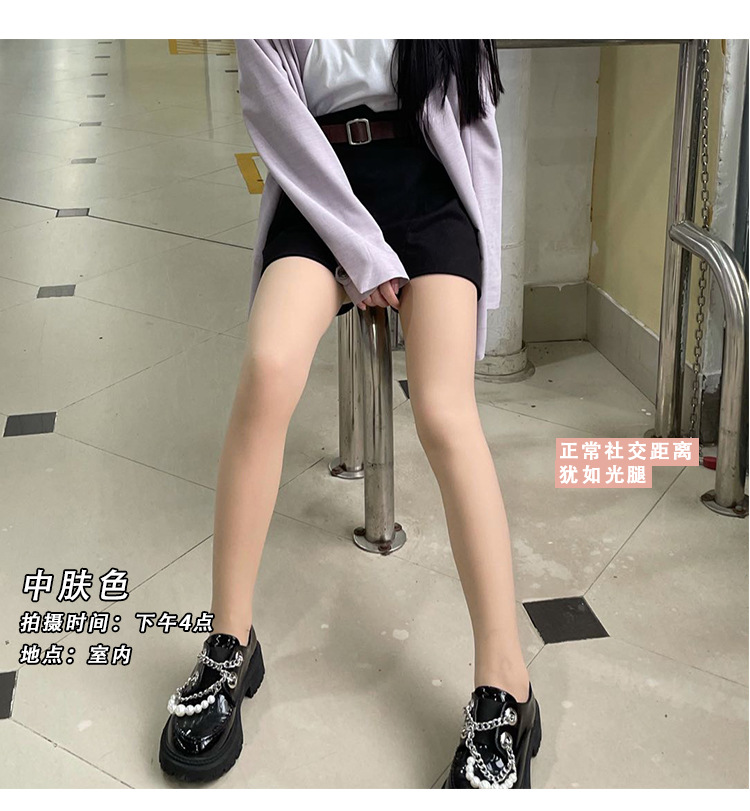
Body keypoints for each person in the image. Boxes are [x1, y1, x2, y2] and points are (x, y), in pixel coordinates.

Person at [158, 38, 542, 789]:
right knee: (268, 370)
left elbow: (474, 122)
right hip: (319, 188)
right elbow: (275, 116)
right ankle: (229, 640)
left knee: (443, 410)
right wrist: (360, 249)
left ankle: (507, 684)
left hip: (430, 184)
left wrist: (480, 269)